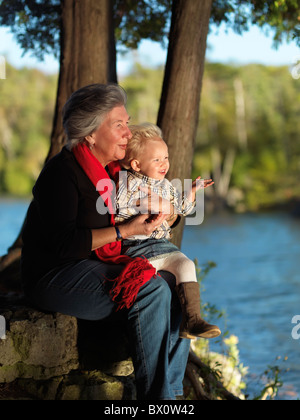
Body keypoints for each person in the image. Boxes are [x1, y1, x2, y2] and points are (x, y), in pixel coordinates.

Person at [21, 83, 190, 400]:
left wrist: (170, 213)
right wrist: (124, 232)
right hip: (55, 274)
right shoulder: (62, 174)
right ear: (90, 133)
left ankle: (175, 394)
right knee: (150, 288)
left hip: (94, 264)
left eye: (127, 122)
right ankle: (157, 399)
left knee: (177, 282)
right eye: (119, 125)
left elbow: (164, 201)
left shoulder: (116, 171)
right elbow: (65, 244)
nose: (128, 133)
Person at [115, 123, 221, 340]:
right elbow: (120, 204)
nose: (164, 164)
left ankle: (192, 320)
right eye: (157, 159)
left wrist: (192, 191)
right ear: (136, 164)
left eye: (166, 157)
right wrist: (146, 203)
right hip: (137, 245)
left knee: (186, 264)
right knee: (161, 287)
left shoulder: (166, 185)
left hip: (161, 245)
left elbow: (183, 209)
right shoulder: (127, 182)